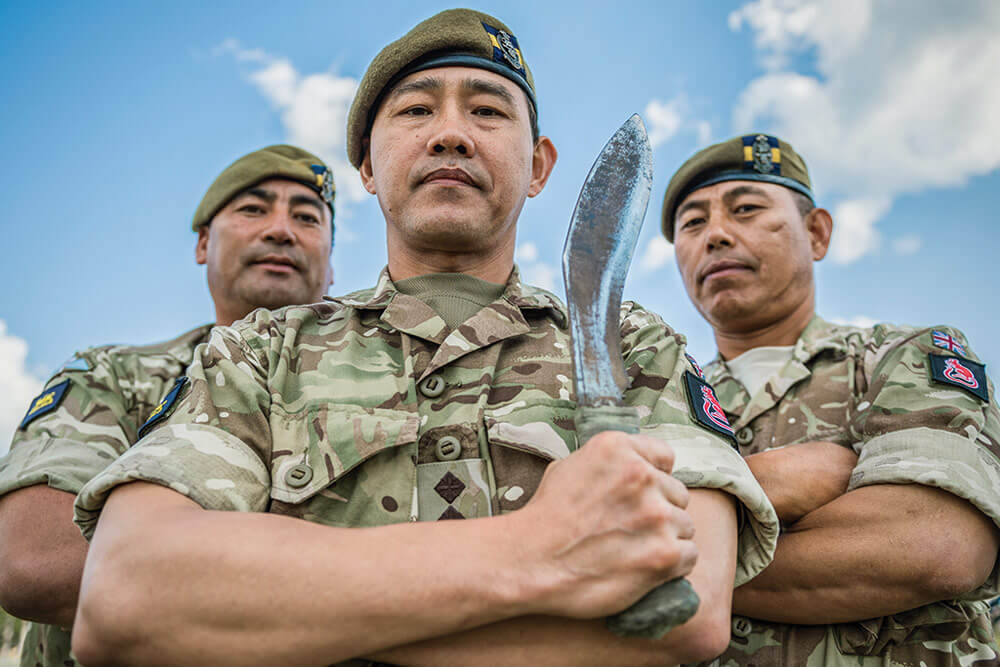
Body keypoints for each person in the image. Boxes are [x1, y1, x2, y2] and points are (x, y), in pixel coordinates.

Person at [69, 9, 779, 666]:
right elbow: (128, 593)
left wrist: (302, 609)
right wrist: (538, 548)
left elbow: (690, 608)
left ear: (537, 166)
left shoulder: (632, 346)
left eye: (488, 110)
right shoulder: (261, 352)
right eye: (415, 110)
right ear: (370, 170)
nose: (450, 133)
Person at [661, 132, 1000, 665]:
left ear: (816, 234)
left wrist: (661, 561)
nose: (717, 235)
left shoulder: (898, 356)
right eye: (692, 223)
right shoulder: (660, 399)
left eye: (745, 209)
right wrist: (778, 482)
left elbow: (936, 545)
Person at [0, 144, 336, 667]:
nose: (281, 230)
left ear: (331, 264)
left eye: (307, 218)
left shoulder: (377, 387)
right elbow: (35, 562)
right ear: (203, 243)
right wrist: (368, 588)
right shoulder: (116, 377)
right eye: (253, 209)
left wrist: (163, 558)